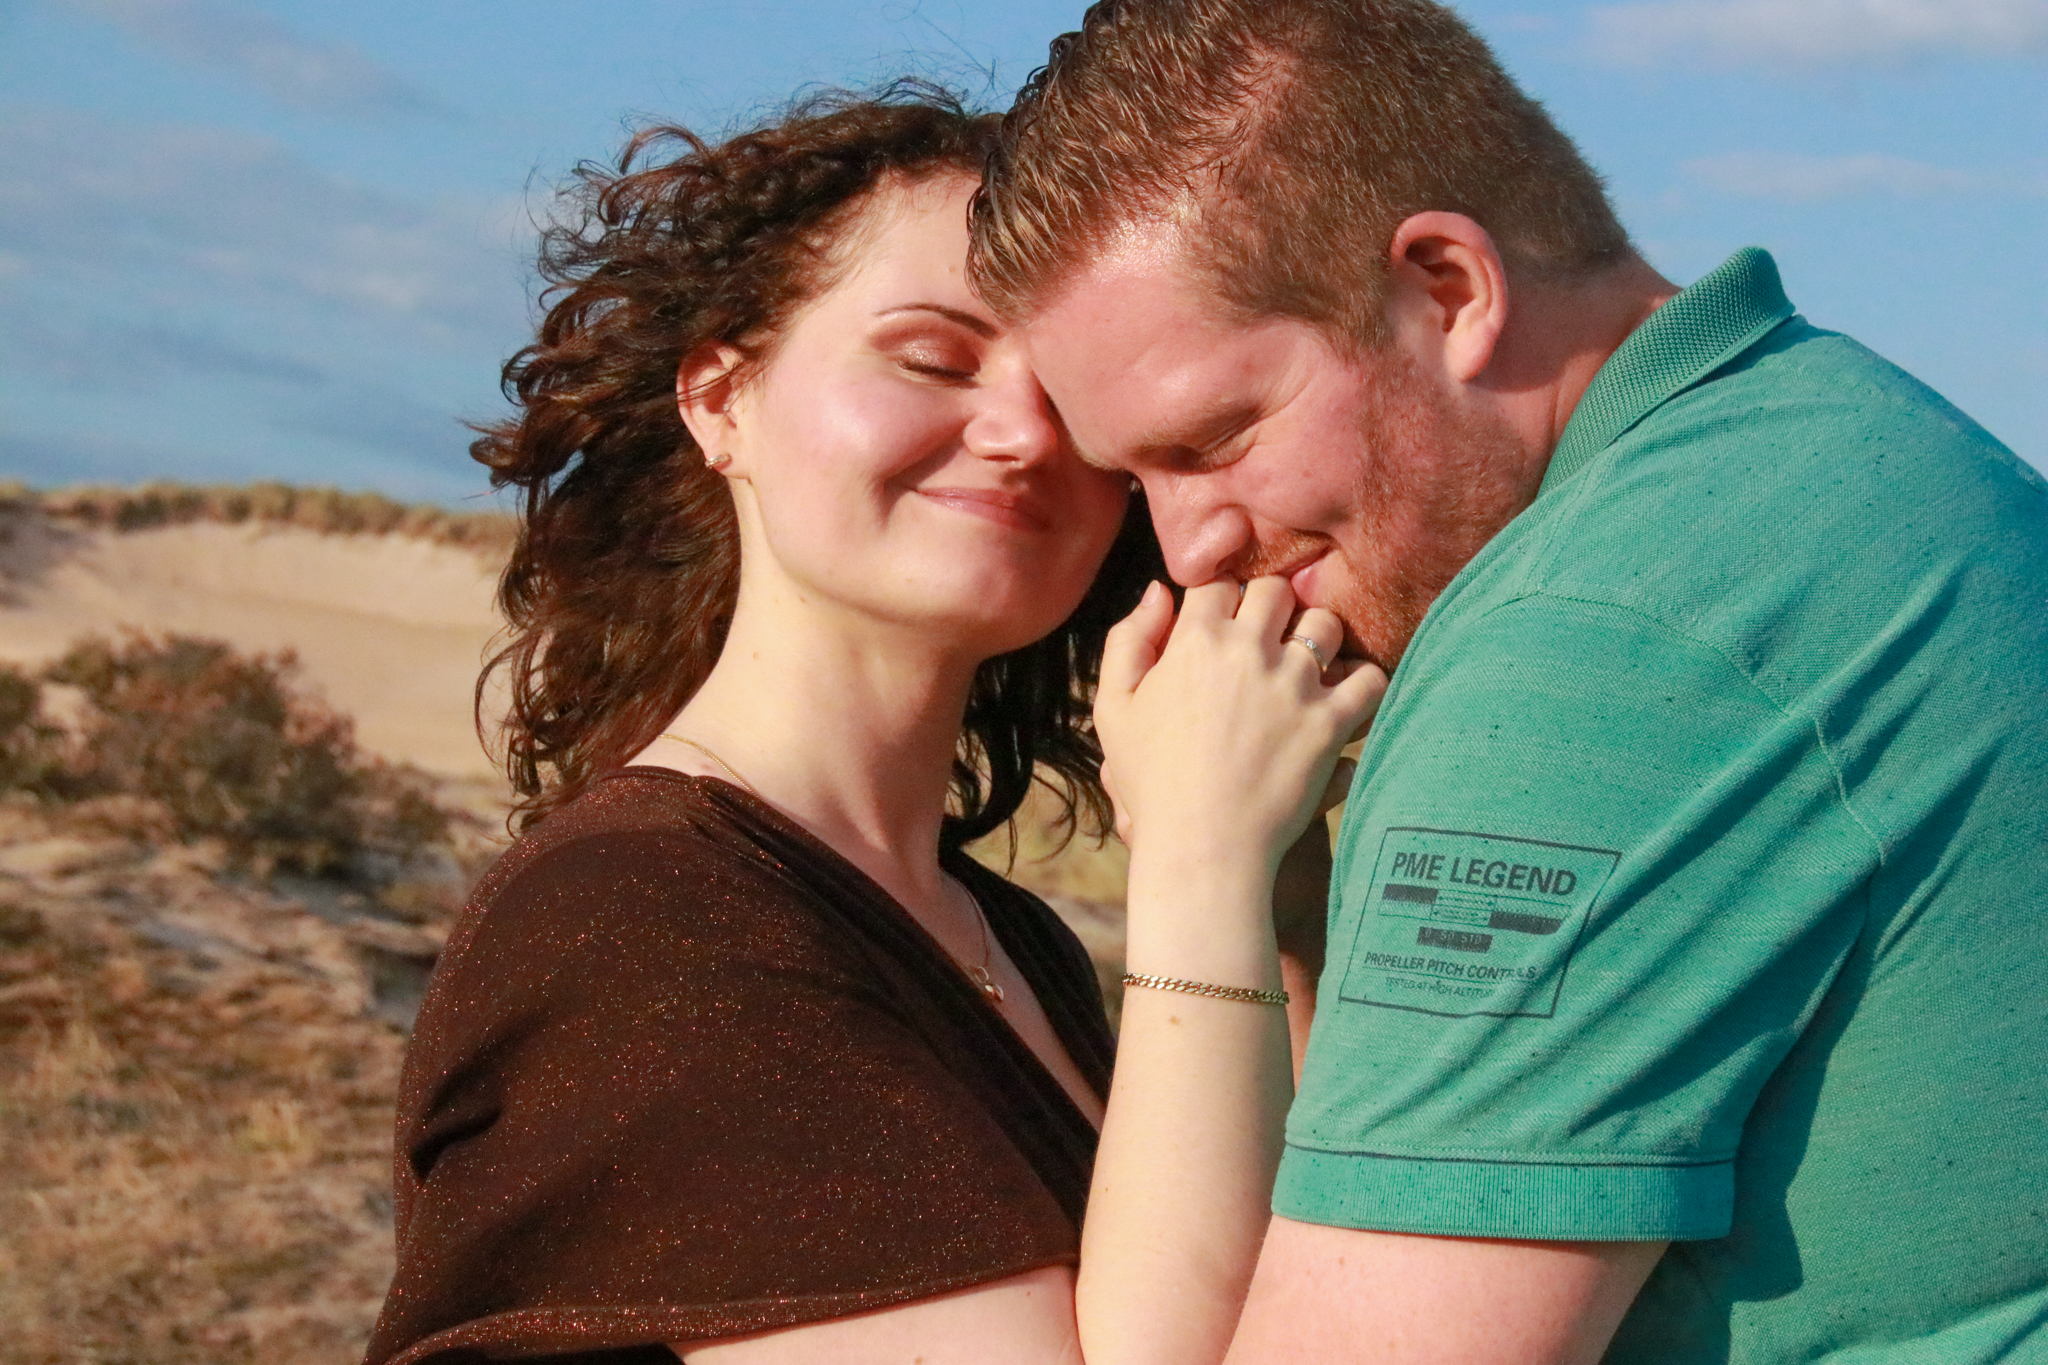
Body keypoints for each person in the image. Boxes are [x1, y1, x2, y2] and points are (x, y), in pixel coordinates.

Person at [968, 1, 2048, 1360]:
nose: (1189, 548)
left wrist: (1192, 863)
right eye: (1138, 480)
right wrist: (1295, 912)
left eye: (1217, 439)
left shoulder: (1589, 643)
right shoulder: (1861, 444)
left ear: (1448, 292)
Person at [366, 87, 1379, 1365]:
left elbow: (1304, 1310)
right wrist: (1199, 862)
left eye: (1071, 398)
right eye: (932, 360)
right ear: (720, 400)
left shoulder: (1004, 936)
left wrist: (1286, 925)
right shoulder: (636, 919)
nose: (1021, 435)